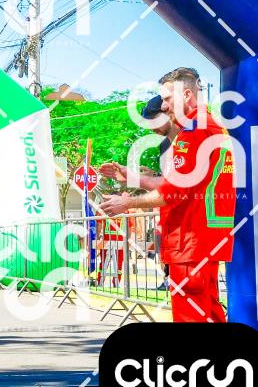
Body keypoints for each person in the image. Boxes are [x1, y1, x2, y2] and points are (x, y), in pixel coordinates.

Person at [100, 68, 235, 323]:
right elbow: (180, 183)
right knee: (210, 313)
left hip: (189, 239)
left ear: (187, 95)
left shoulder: (194, 131)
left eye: (167, 99)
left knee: (190, 318)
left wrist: (127, 202)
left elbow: (173, 192)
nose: (163, 106)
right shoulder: (212, 127)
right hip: (204, 240)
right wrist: (133, 178)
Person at [100, 95, 180, 290]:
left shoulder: (192, 138)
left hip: (191, 231)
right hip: (171, 224)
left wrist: (128, 202)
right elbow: (167, 183)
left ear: (168, 111)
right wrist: (134, 178)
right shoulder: (165, 144)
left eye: (153, 121)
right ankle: (167, 279)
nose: (151, 128)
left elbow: (175, 188)